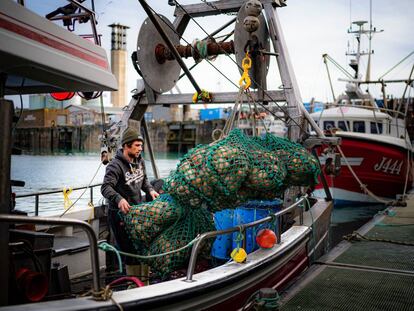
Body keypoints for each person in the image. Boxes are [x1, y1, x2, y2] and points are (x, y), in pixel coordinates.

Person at [101, 127, 159, 270]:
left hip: (137, 211)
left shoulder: (140, 161)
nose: (140, 149)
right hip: (120, 215)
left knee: (143, 247)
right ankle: (133, 284)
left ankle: (144, 282)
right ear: (126, 146)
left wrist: (150, 190)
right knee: (130, 252)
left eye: (141, 145)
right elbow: (105, 187)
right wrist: (119, 199)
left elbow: (143, 180)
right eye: (137, 145)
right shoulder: (115, 166)